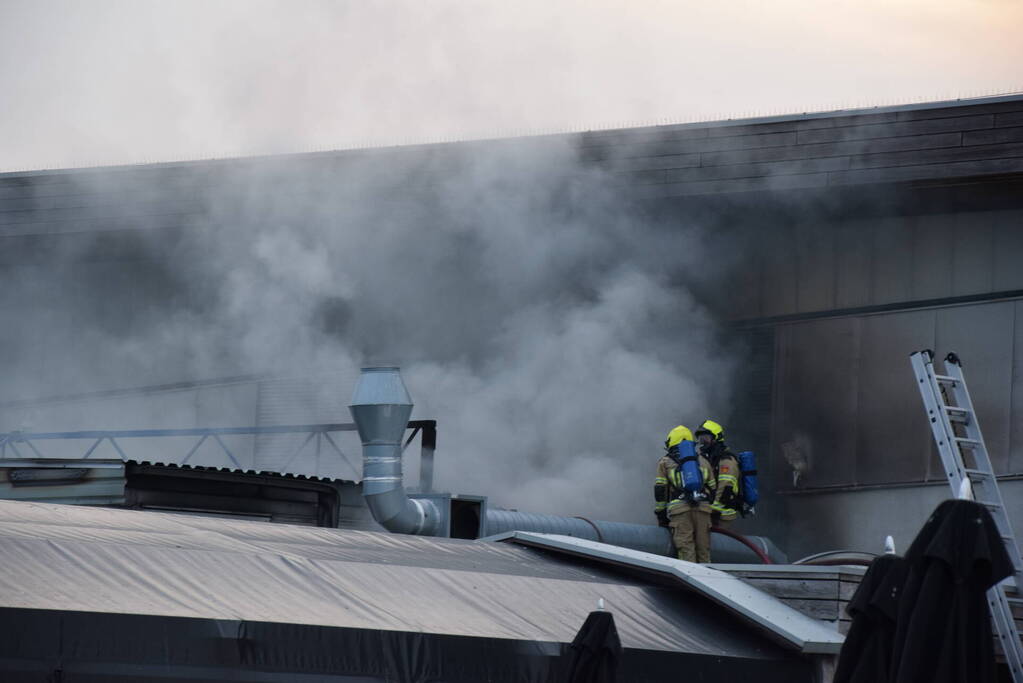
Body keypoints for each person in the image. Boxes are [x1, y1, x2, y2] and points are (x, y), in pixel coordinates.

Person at [654, 425, 715, 563]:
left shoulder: (665, 462)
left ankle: (689, 581)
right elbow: (713, 488)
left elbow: (660, 490)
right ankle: (708, 579)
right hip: (703, 509)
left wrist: (661, 514)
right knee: (704, 550)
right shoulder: (703, 461)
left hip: (680, 511)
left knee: (686, 549)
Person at [694, 419, 740, 528]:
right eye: (700, 439)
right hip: (711, 511)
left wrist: (715, 511)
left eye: (706, 438)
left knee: (718, 543)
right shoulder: (709, 459)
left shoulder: (726, 460)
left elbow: (726, 488)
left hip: (723, 515)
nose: (702, 442)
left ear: (716, 438)